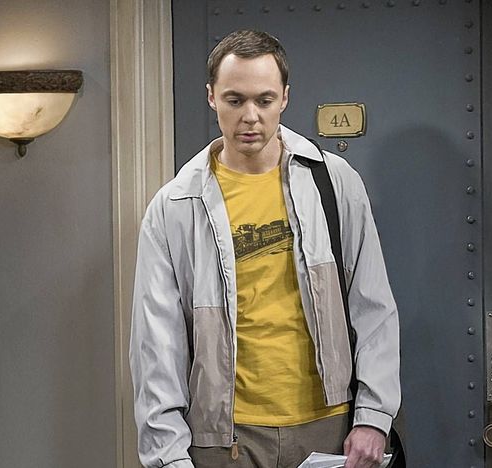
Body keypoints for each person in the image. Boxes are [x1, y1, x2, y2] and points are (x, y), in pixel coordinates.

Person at [129, 30, 400, 468]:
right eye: (235, 100)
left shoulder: (333, 181)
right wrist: (167, 456)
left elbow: (373, 308)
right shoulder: (175, 205)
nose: (250, 116)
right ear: (212, 97)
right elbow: (156, 344)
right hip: (224, 435)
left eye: (264, 100)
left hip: (329, 427)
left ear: (285, 98)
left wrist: (373, 416)